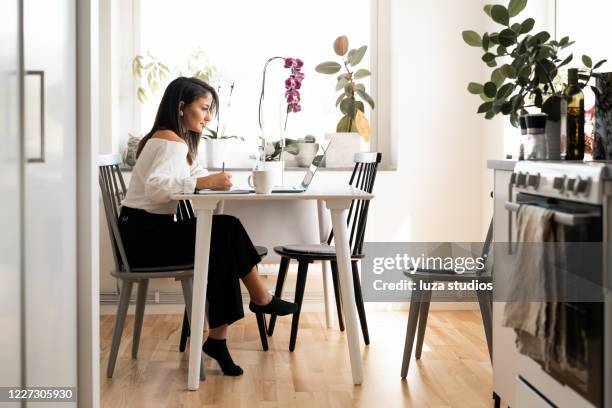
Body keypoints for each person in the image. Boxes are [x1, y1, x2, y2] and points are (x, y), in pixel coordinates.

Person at [118, 76, 297, 376]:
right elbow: (156, 189)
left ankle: (219, 340)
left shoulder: (172, 140)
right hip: (143, 239)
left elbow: (190, 173)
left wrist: (214, 179)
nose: (209, 117)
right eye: (204, 108)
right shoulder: (168, 141)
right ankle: (260, 299)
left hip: (142, 232)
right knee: (225, 230)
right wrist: (204, 181)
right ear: (181, 107)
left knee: (221, 240)